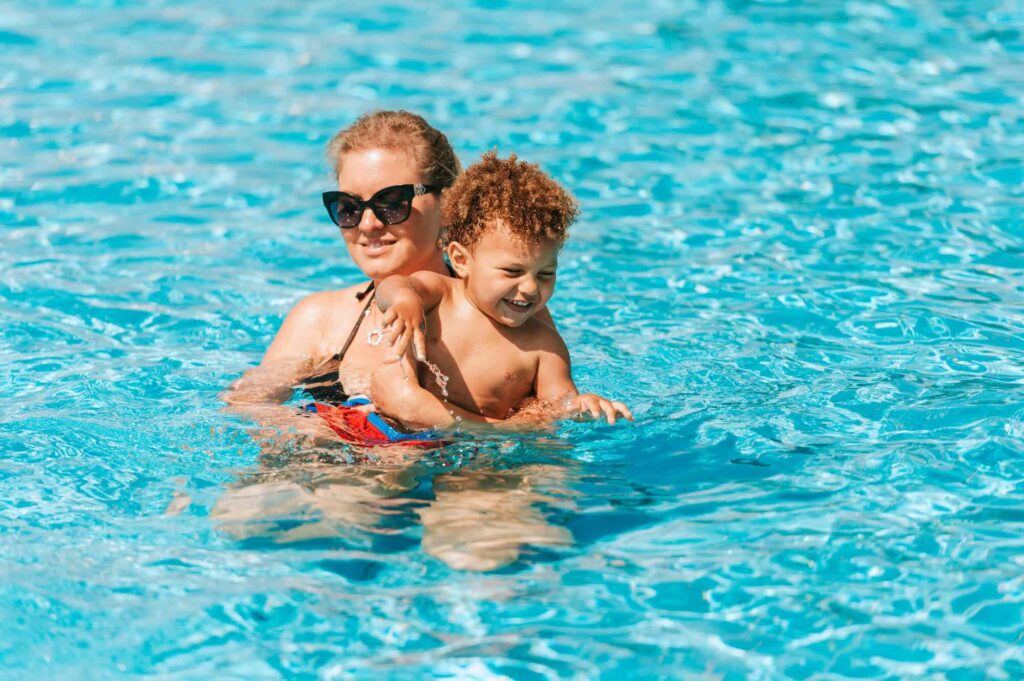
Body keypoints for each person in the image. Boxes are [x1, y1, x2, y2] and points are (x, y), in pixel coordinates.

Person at [369, 151, 633, 431]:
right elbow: (391, 286)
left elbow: (556, 409)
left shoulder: (544, 346)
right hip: (399, 431)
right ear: (460, 260)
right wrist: (404, 300)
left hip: (478, 449)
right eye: (512, 271)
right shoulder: (440, 294)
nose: (530, 288)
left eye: (545, 274)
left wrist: (583, 406)